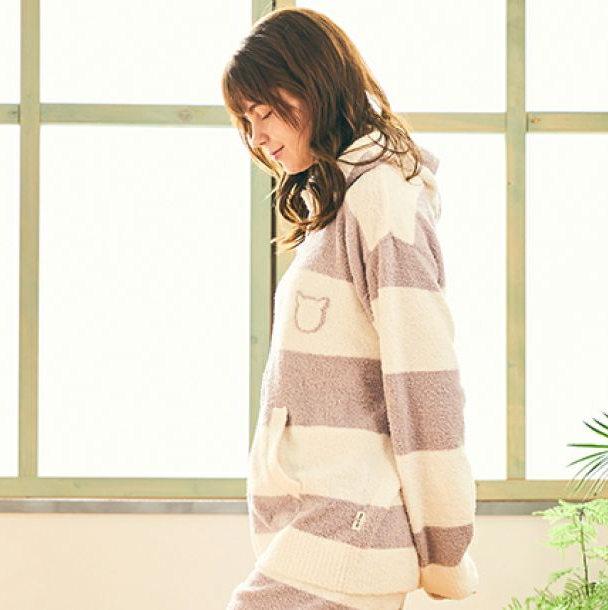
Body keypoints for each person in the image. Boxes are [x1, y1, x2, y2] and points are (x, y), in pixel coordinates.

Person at [221, 7, 479, 609]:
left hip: (350, 533)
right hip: (323, 530)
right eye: (246, 120)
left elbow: (425, 381)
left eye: (264, 112)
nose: (257, 138)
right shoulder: (342, 204)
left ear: (313, 85)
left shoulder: (381, 199)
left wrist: (444, 548)